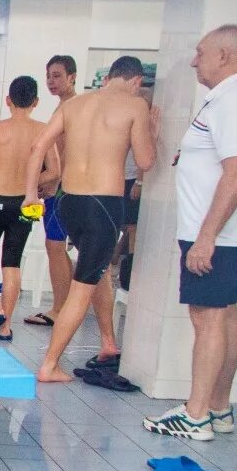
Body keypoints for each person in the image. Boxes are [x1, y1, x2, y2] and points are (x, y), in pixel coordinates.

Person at [144, 26, 237, 441]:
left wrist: (206, 237)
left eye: (200, 53)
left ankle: (196, 413)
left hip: (217, 234)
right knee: (224, 314)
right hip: (225, 233)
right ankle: (218, 407)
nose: (195, 61)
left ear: (224, 55)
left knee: (209, 320)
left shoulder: (235, 103)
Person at [23, 56, 157, 384]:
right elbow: (146, 160)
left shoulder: (74, 105)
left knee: (94, 273)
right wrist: (152, 130)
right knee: (82, 287)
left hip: (69, 201)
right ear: (136, 80)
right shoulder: (135, 106)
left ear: (108, 76)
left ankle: (108, 342)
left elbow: (39, 146)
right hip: (103, 205)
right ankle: (49, 365)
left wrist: (29, 194)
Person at [0, 77, 51, 343]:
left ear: (8, 101)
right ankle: (5, 326)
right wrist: (33, 185)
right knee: (12, 261)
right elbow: (55, 171)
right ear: (36, 102)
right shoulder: (43, 130)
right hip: (27, 203)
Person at [23, 55, 79, 330]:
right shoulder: (65, 108)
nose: (51, 81)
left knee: (55, 246)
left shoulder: (71, 108)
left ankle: (60, 309)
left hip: (63, 190)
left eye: (57, 75)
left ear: (72, 77)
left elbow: (66, 154)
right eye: (49, 76)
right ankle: (65, 306)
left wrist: (51, 182)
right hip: (63, 189)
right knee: (57, 247)